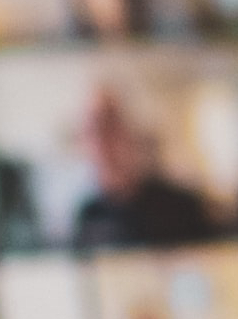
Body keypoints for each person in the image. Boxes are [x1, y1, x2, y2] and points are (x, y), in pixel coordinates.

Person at [72, 87, 214, 251]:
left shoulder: (183, 208)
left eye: (110, 126)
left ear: (134, 131)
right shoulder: (88, 215)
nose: (101, 143)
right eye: (92, 130)